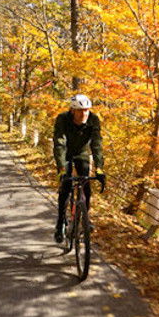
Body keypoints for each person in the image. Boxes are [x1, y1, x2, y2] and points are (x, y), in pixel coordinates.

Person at [53, 94, 105, 243]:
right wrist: (62, 169)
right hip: (66, 154)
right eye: (80, 111)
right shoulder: (62, 119)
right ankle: (60, 222)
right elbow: (59, 143)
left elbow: (96, 144)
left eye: (86, 111)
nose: (84, 114)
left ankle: (83, 220)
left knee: (86, 185)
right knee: (66, 185)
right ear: (72, 111)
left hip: (82, 153)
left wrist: (99, 169)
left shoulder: (93, 119)